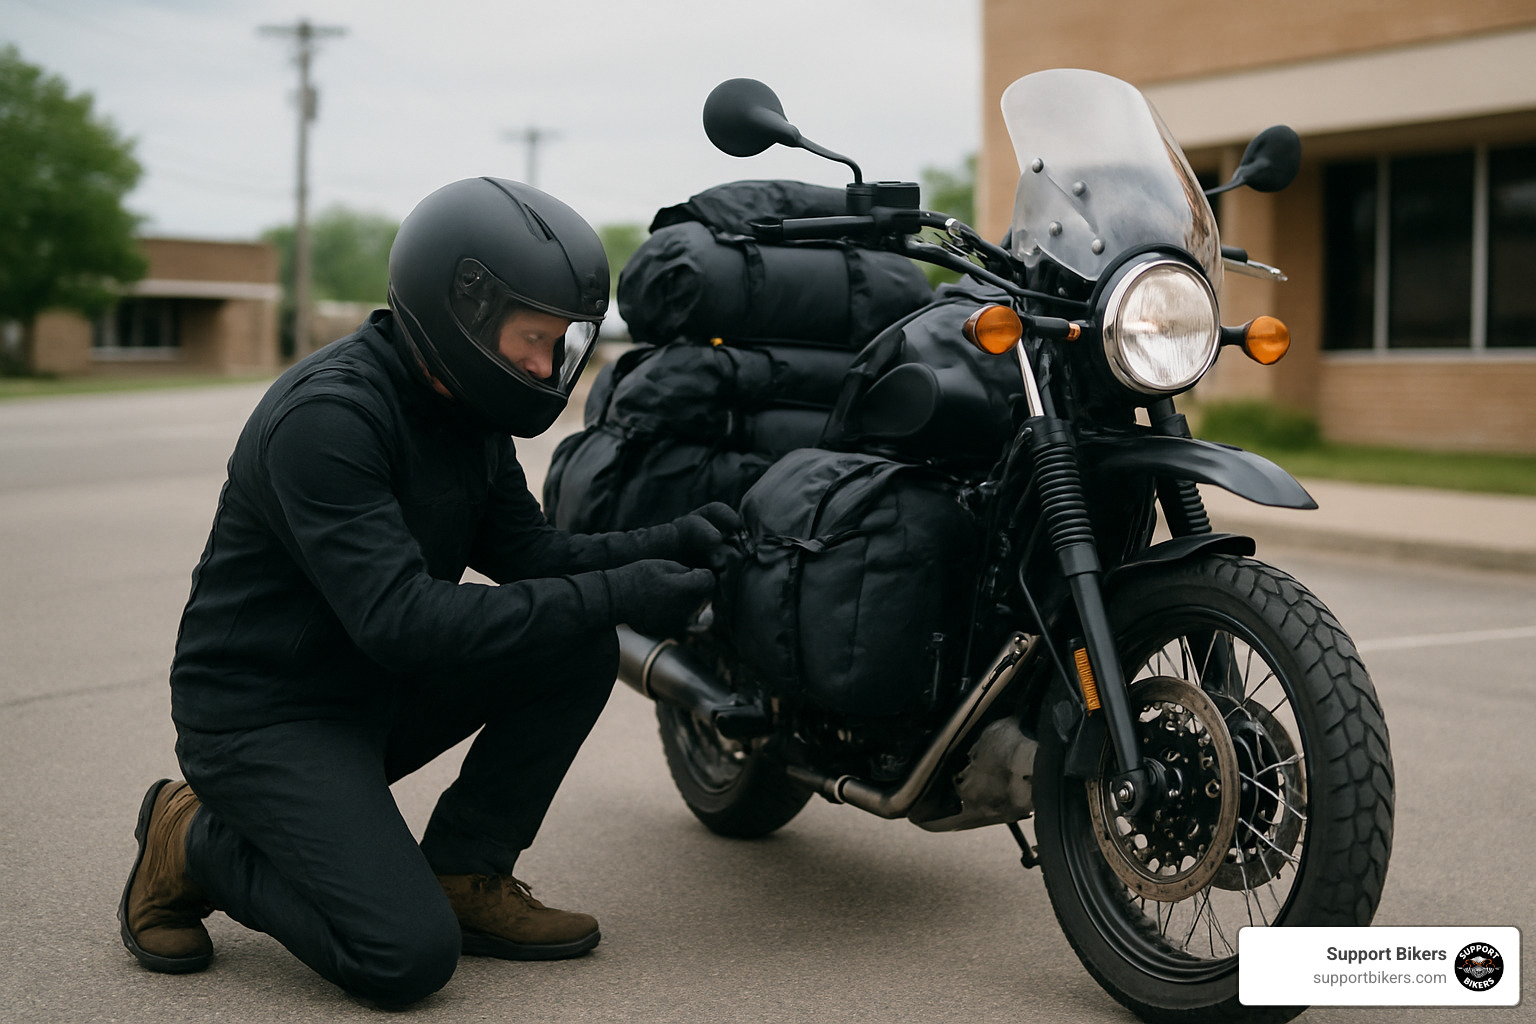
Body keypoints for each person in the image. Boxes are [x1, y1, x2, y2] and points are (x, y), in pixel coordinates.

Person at [117, 177, 738, 1005]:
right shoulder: (330, 419)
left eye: (561, 343)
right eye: (531, 338)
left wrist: (675, 539)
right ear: (464, 309)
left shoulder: (465, 407)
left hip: (373, 692)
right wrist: (623, 591)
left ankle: (463, 873)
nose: (545, 365)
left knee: (576, 643)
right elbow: (404, 622)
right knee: (403, 959)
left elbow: (531, 554)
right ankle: (190, 838)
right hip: (266, 717)